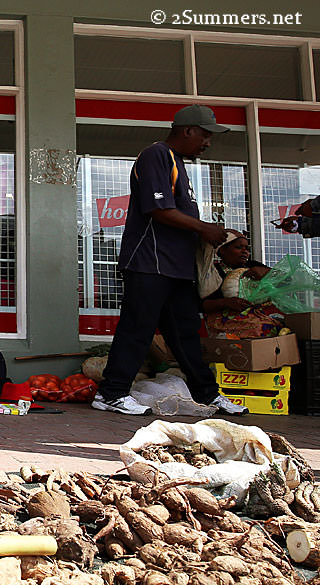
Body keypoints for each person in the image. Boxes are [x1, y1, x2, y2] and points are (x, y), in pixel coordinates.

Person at [92, 104, 247, 416]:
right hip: (149, 262)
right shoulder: (157, 155)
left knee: (186, 334)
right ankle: (111, 393)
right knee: (138, 328)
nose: (208, 143)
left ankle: (208, 394)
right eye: (205, 135)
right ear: (187, 130)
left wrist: (207, 235)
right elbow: (158, 209)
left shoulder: (177, 162)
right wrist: (205, 228)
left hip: (176, 267)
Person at [201, 230, 281, 338]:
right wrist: (226, 302)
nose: (245, 251)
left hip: (259, 312)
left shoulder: (253, 266)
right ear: (223, 250)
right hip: (227, 318)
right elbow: (202, 305)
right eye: (239, 247)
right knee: (261, 328)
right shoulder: (213, 273)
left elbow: (287, 279)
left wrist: (267, 272)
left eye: (247, 249)